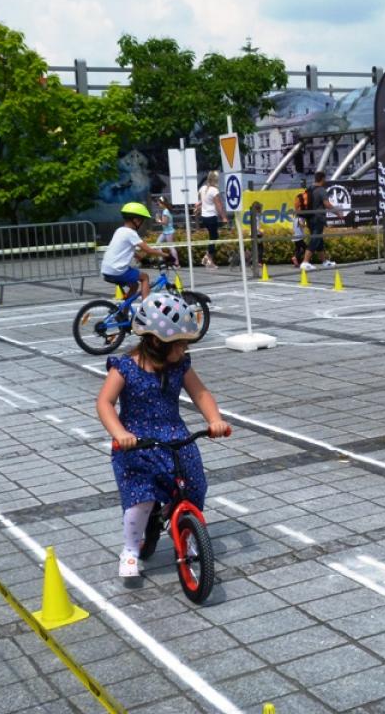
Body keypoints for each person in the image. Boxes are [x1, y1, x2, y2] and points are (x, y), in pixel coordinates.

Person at [96, 292, 231, 578]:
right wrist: (120, 433)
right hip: (136, 443)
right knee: (141, 498)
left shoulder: (179, 366)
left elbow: (200, 394)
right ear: (157, 342)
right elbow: (105, 403)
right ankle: (130, 549)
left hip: (175, 437)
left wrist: (215, 420)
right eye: (179, 344)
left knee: (195, 484)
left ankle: (183, 527)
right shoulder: (126, 367)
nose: (184, 350)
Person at [101, 202, 165, 302]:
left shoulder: (120, 230)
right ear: (136, 220)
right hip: (117, 271)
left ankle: (124, 310)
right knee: (145, 277)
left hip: (107, 269)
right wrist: (166, 255)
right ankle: (146, 307)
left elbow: (124, 249)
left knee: (134, 285)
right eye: (142, 220)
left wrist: (140, 258)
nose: (142, 223)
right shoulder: (131, 233)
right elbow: (147, 249)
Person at [300, 171, 343, 271]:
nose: (325, 180)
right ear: (322, 178)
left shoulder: (309, 189)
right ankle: (305, 262)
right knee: (315, 239)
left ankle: (324, 261)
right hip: (318, 218)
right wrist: (338, 213)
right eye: (325, 178)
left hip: (309, 218)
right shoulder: (321, 190)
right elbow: (327, 204)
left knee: (319, 240)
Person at [194, 171, 226, 269]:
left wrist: (199, 205)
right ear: (215, 180)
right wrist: (223, 217)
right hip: (211, 217)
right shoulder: (214, 191)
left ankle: (206, 257)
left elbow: (200, 201)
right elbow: (219, 205)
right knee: (213, 238)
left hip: (204, 217)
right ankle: (209, 260)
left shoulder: (202, 188)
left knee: (213, 237)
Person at [154, 196, 178, 267]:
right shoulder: (165, 210)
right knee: (157, 244)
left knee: (171, 247)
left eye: (159, 203)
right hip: (165, 232)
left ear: (163, 203)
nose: (158, 205)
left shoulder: (165, 211)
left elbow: (165, 223)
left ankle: (176, 263)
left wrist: (158, 220)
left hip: (169, 232)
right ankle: (162, 261)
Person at [291, 182, 309, 267]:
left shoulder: (295, 217)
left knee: (298, 249)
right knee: (306, 248)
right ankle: (296, 258)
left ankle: (296, 261)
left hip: (295, 236)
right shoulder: (299, 218)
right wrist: (306, 225)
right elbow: (301, 224)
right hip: (299, 236)